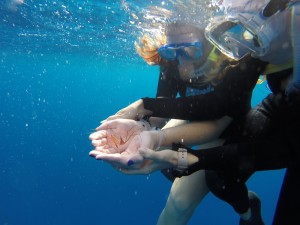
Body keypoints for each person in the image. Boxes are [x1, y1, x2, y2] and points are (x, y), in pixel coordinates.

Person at [91, 0, 300, 224]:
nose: (180, 58)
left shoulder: (237, 54)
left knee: (181, 199)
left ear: (211, 39)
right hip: (194, 118)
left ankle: (247, 210)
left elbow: (218, 115)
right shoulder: (173, 55)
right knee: (155, 155)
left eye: (190, 49)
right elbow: (164, 104)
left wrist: (156, 134)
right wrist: (142, 126)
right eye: (172, 52)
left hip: (228, 124)